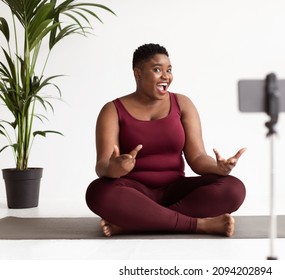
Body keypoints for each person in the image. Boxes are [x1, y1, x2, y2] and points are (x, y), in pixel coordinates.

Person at [85, 43, 246, 237]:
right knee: (98, 192)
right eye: (157, 69)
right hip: (133, 192)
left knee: (233, 189)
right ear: (138, 73)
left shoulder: (182, 104)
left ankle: (136, 222)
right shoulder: (112, 110)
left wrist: (218, 168)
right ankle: (199, 225)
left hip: (176, 191)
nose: (166, 76)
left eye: (169, 70)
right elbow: (102, 166)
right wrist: (115, 168)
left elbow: (197, 157)